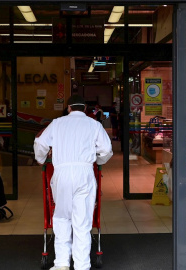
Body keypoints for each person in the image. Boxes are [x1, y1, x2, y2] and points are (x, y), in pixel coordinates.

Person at [34, 95, 113, 270]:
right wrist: (98, 161)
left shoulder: (57, 123)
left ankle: (61, 263)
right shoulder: (94, 125)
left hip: (61, 173)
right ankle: (82, 265)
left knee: (62, 217)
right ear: (84, 108)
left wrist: (40, 159)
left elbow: (40, 143)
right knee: (82, 221)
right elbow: (106, 150)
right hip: (84, 173)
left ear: (69, 108)